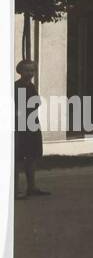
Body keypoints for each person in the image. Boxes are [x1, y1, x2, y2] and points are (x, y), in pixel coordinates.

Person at [14, 60, 48, 197]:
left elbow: (37, 102)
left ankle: (31, 187)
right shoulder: (16, 87)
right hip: (20, 126)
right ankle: (15, 189)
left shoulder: (31, 86)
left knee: (32, 156)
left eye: (32, 70)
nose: (30, 73)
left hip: (32, 124)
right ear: (20, 71)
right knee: (18, 158)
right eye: (27, 70)